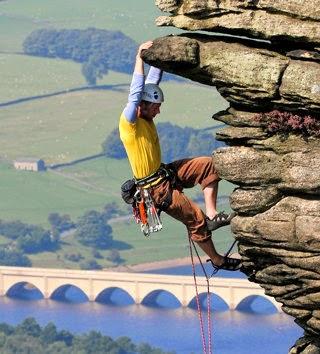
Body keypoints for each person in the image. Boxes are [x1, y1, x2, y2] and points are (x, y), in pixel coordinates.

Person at [119, 41, 241, 271]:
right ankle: (217, 259)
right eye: (155, 106)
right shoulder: (130, 124)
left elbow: (151, 84)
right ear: (143, 106)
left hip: (165, 173)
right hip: (155, 189)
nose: (159, 110)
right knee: (195, 219)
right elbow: (135, 93)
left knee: (208, 166)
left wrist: (158, 57)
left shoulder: (146, 116)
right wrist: (139, 58)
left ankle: (213, 213)